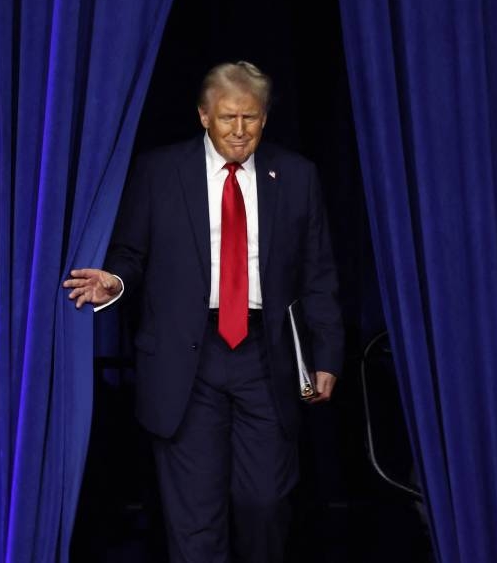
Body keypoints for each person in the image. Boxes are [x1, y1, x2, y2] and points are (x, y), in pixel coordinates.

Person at [63, 61, 344, 563]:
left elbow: (318, 274)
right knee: (195, 521)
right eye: (227, 118)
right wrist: (115, 281)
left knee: (264, 503)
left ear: (264, 118)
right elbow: (130, 253)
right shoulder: (159, 172)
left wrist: (326, 355)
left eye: (251, 118)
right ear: (203, 116)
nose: (240, 131)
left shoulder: (297, 176)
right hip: (184, 361)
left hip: (266, 356)